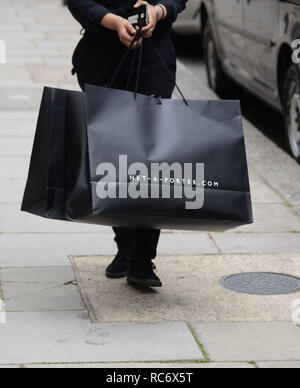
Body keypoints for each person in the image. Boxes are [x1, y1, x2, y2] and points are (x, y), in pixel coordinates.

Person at [67, 0, 188, 288]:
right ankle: (124, 244)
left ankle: (143, 257)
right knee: (110, 156)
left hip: (154, 61)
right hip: (101, 61)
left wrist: (157, 12)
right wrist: (113, 21)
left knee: (151, 160)